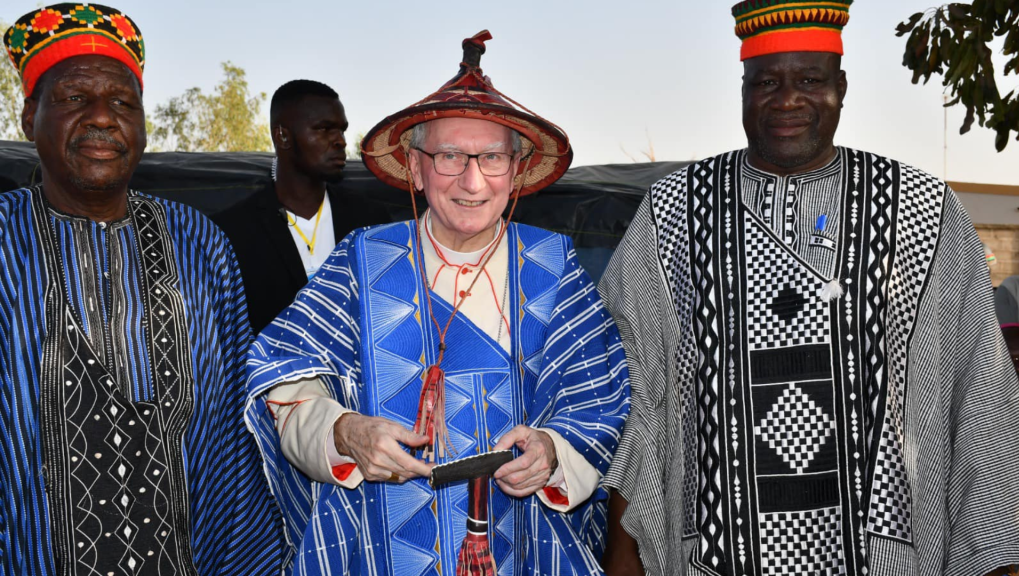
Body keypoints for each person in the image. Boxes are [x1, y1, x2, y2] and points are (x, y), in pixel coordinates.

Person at [599, 2, 1019, 576]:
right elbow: (631, 387)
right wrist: (624, 554)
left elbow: (982, 396)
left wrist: (996, 558)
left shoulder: (923, 209)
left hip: (882, 560)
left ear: (841, 86)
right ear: (743, 89)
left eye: (809, 80)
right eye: (766, 82)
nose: (788, 100)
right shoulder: (674, 210)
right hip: (718, 555)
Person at [243, 31, 630, 575]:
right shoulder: (362, 260)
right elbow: (282, 381)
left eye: (492, 157)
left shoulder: (553, 266)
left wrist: (552, 449)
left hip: (523, 551)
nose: (472, 180)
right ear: (416, 167)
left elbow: (601, 399)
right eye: (449, 155)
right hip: (372, 551)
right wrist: (345, 432)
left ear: (516, 170)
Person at [1, 5, 281, 575]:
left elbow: (236, 425)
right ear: (30, 116)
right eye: (75, 98)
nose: (103, 117)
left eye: (124, 103)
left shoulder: (200, 241)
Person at [213, 80, 390, 333]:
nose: (340, 141)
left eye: (341, 130)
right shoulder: (231, 233)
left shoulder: (371, 222)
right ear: (282, 136)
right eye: (324, 129)